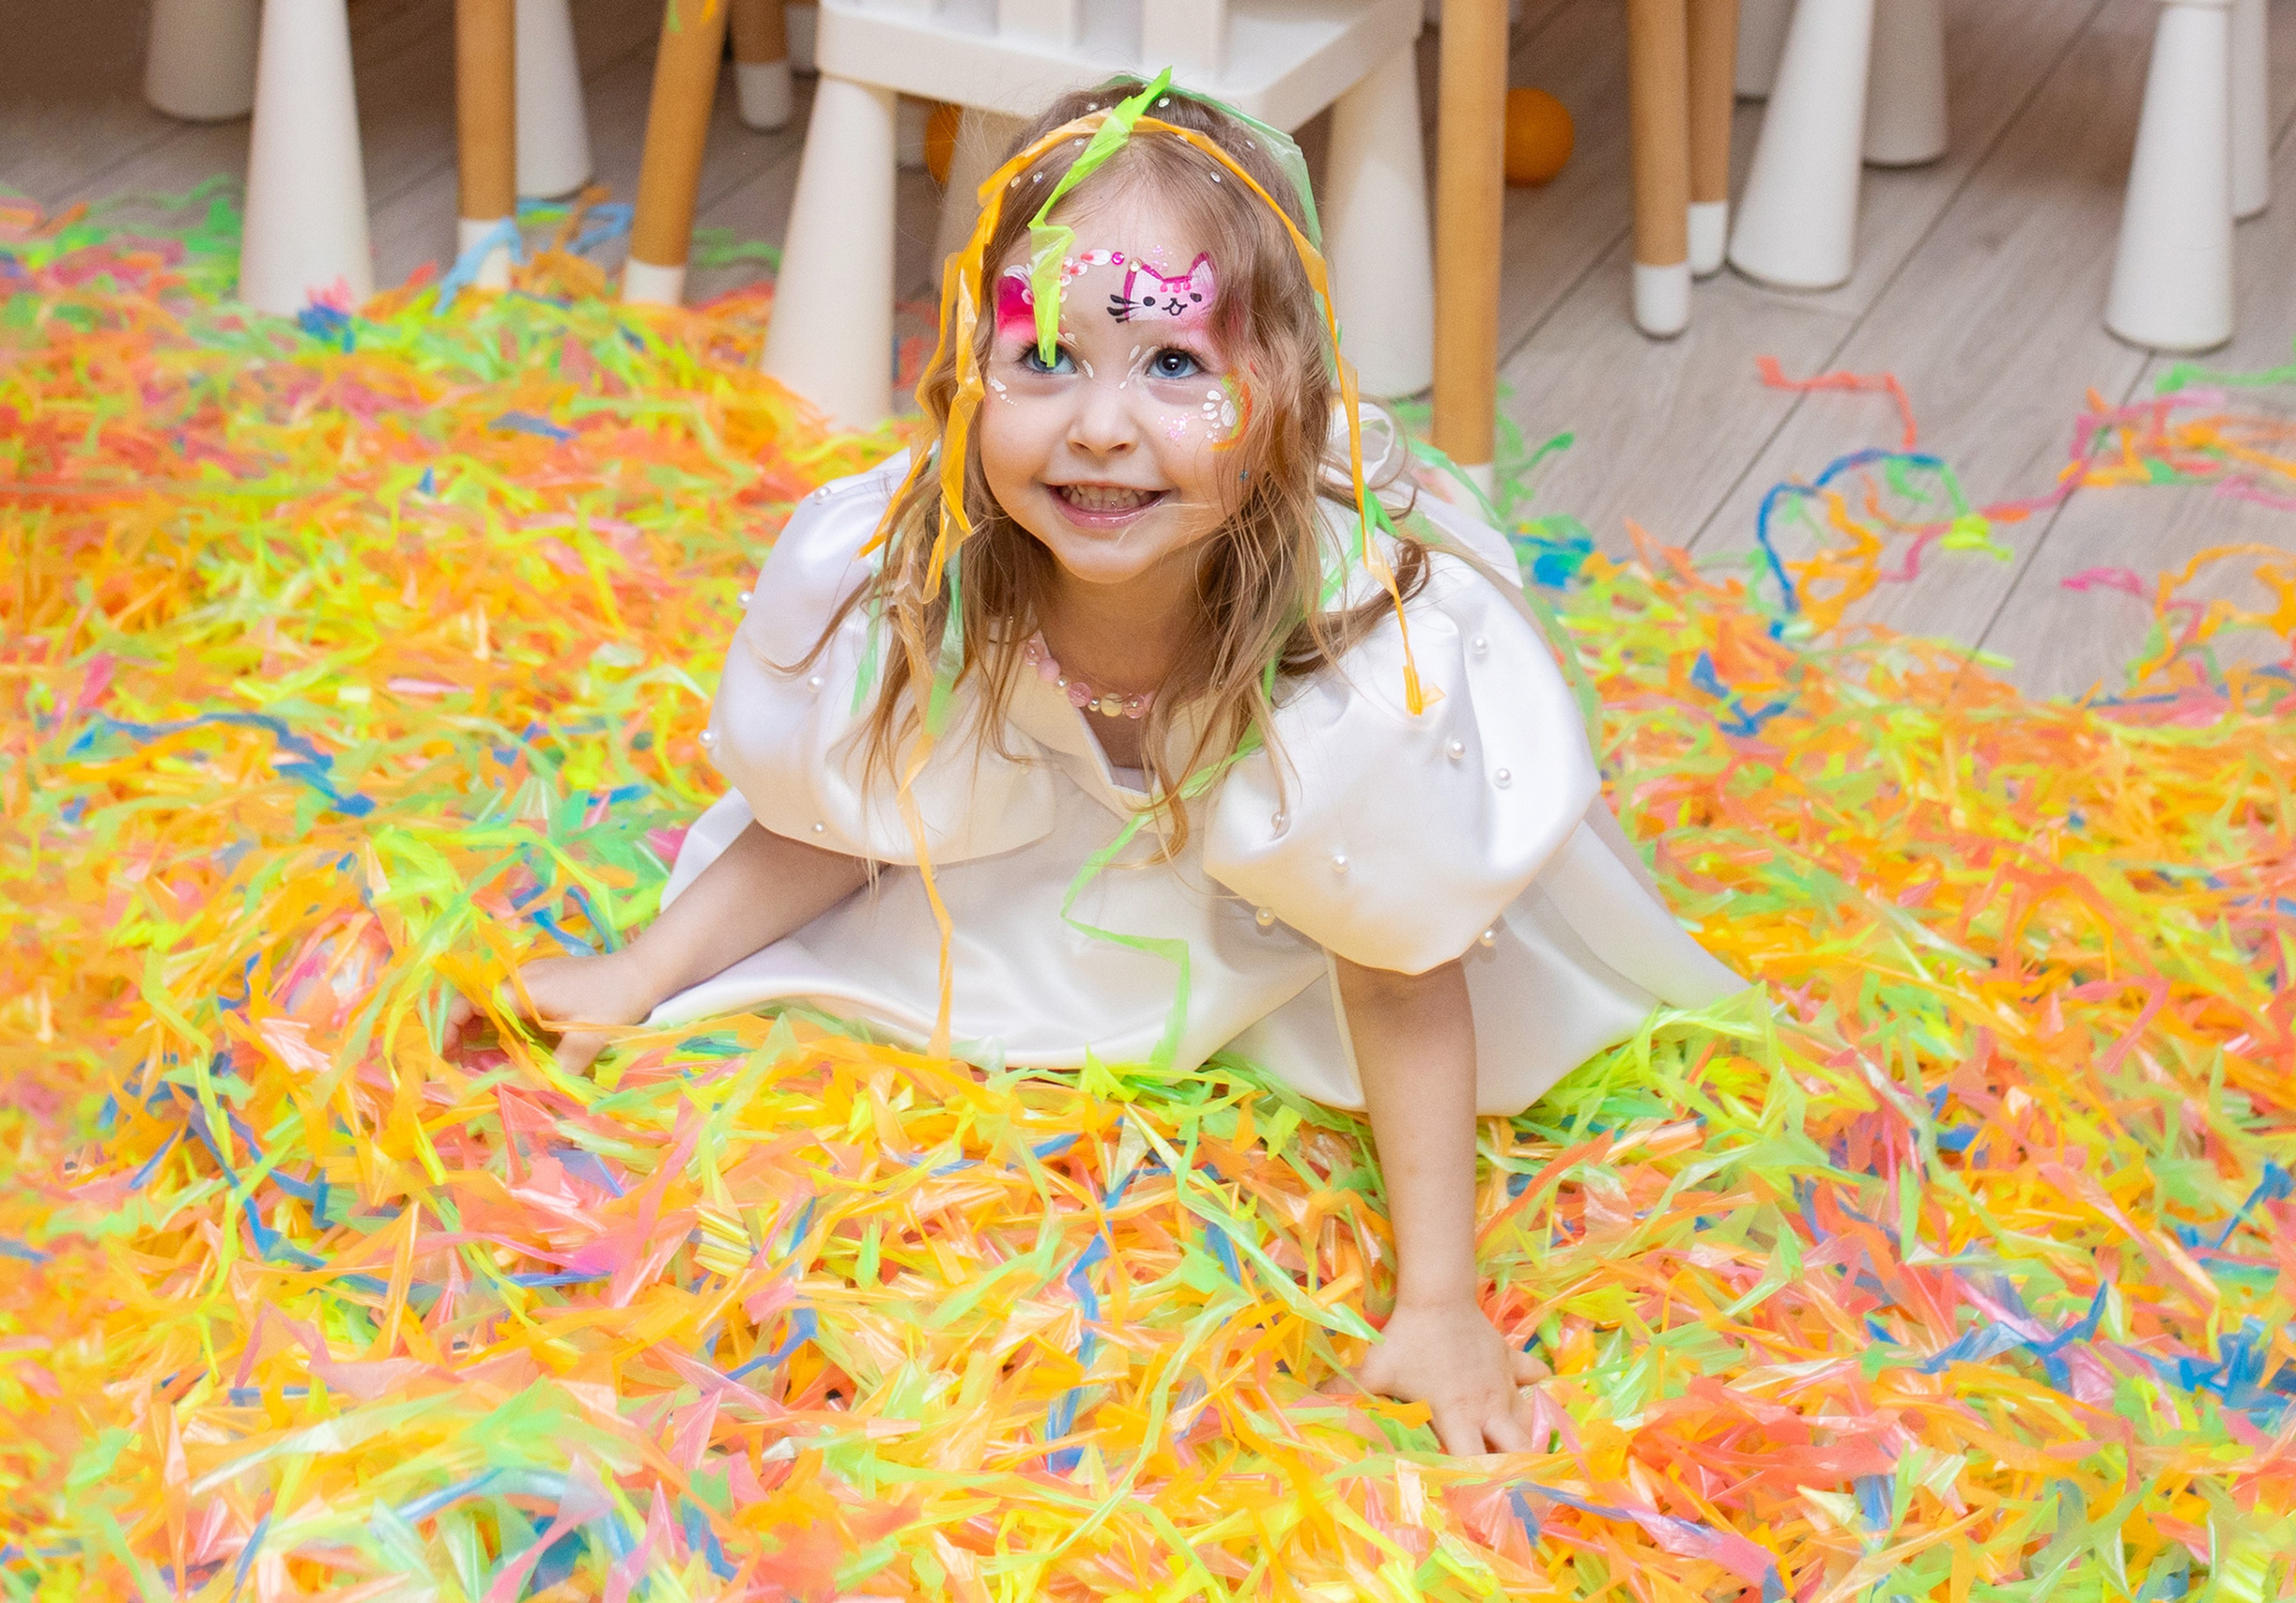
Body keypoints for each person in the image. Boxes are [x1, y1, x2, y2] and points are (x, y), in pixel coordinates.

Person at [448, 73, 1745, 1456]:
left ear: (1286, 405)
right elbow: (860, 806)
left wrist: (1440, 1301)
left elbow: (1397, 964)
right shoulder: (950, 568)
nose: (1100, 427)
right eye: (1045, 358)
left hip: (1316, 885)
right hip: (1067, 851)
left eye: (1176, 364)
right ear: (967, 378)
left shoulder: (1354, 651)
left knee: (1369, 913)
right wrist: (643, 975)